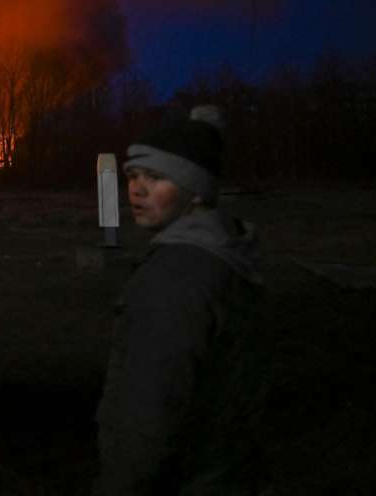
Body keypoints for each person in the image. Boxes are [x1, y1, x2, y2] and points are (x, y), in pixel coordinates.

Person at [93, 106, 269, 495]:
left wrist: (118, 484)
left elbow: (148, 412)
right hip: (225, 471)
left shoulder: (175, 278)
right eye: (133, 176)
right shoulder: (224, 252)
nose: (137, 189)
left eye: (156, 178)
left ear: (195, 192)